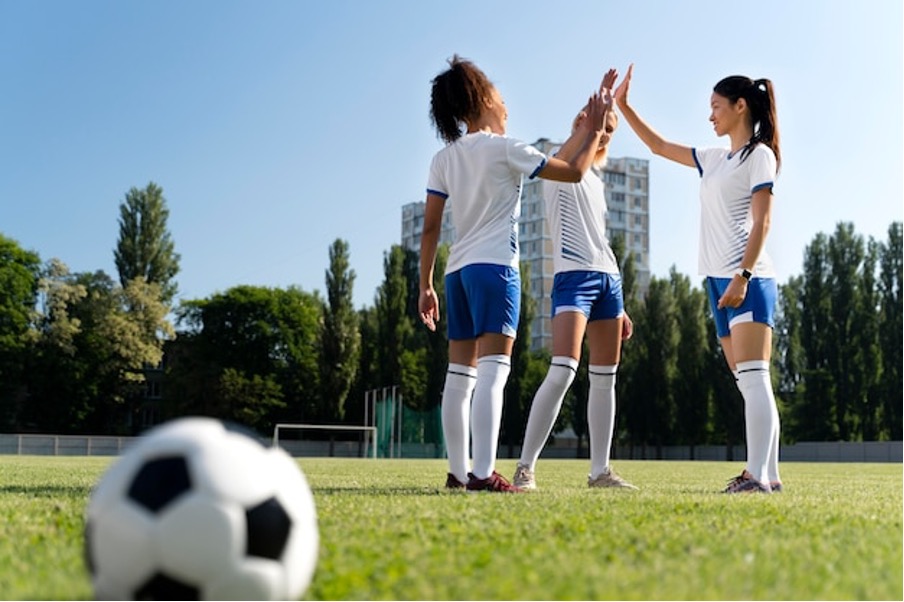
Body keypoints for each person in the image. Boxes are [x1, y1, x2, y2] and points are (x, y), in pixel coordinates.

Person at [419, 55, 615, 492]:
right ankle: (485, 472)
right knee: (494, 372)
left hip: (456, 274)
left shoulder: (442, 158)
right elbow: (574, 171)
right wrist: (595, 127)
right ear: (484, 98)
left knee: (458, 376)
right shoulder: (506, 148)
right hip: (495, 271)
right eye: (502, 98)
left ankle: (457, 472)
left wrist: (425, 285)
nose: (507, 107)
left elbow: (431, 226)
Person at [614, 64, 782, 493]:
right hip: (715, 281)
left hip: (747, 278)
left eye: (716, 107)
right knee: (747, 381)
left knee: (755, 376)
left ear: (740, 106)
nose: (710, 116)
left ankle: (756, 476)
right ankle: (771, 476)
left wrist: (742, 276)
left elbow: (762, 222)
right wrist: (624, 106)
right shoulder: (712, 159)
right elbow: (657, 145)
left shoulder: (759, 155)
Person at [512, 78, 637, 491]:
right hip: (573, 279)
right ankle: (525, 468)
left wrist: (622, 306)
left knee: (605, 378)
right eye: (586, 117)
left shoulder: (598, 182)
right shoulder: (558, 163)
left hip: (609, 280)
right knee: (563, 370)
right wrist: (590, 121)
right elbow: (573, 156)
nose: (593, 124)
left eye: (602, 125)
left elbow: (599, 237)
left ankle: (600, 471)